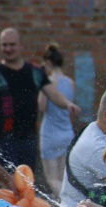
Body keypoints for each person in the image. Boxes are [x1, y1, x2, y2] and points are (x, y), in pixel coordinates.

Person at [0, 28, 79, 173]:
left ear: (21, 46)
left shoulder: (35, 72)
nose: (8, 49)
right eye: (4, 45)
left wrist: (68, 104)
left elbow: (54, 94)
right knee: (7, 183)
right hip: (2, 140)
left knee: (27, 183)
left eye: (12, 45)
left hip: (28, 139)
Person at [37, 42, 75, 197]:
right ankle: (62, 206)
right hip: (67, 132)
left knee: (52, 179)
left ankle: (66, 204)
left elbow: (41, 106)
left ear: (48, 62)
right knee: (63, 178)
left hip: (50, 133)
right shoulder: (71, 82)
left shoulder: (49, 81)